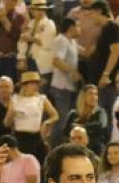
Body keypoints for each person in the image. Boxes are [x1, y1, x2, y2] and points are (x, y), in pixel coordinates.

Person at [5, 71, 60, 163]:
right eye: (32, 84)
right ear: (24, 85)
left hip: (36, 137)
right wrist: (11, 114)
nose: (36, 87)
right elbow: (7, 123)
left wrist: (47, 122)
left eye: (37, 84)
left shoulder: (41, 99)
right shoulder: (15, 99)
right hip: (20, 137)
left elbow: (55, 115)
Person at [50, 18, 82, 146]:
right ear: (71, 28)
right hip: (61, 88)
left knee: (68, 120)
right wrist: (73, 72)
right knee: (61, 121)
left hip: (70, 88)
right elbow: (57, 61)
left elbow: (85, 52)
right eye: (78, 25)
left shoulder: (72, 42)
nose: (80, 29)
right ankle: (54, 149)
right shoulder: (61, 40)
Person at [60, 84, 109, 156]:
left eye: (96, 94)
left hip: (94, 152)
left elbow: (100, 126)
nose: (94, 97)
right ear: (83, 97)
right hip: (74, 151)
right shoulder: (73, 114)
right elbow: (65, 132)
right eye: (90, 94)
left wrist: (81, 127)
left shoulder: (101, 113)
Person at [18, 0, 57, 81]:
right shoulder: (30, 23)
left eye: (41, 9)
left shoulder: (49, 24)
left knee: (42, 87)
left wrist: (31, 39)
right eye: (35, 9)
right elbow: (22, 40)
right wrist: (22, 57)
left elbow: (47, 44)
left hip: (42, 62)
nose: (38, 12)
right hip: (29, 60)